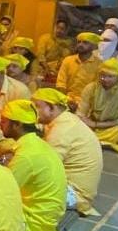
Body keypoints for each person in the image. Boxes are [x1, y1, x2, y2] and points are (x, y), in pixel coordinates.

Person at [1, 101, 69, 231]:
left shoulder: (26, 155)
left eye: (4, 121)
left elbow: (1, 191)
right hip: (49, 215)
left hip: (35, 222)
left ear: (16, 125)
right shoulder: (36, 144)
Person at [34, 88, 103, 216]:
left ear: (51, 108)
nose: (33, 112)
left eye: (37, 107)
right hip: (78, 188)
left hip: (74, 194)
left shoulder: (61, 130)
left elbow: (44, 168)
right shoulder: (65, 120)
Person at [77, 59, 118, 152]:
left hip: (113, 127)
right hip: (91, 125)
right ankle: (99, 141)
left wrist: (97, 125)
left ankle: (93, 140)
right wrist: (85, 121)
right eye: (102, 75)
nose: (105, 79)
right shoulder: (91, 88)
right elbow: (81, 112)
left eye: (110, 76)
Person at [55, 32, 103, 105]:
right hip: (66, 100)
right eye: (79, 42)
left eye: (85, 42)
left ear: (93, 47)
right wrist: (65, 100)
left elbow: (97, 89)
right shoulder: (68, 60)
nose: (80, 45)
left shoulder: (99, 64)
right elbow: (61, 83)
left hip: (86, 103)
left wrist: (81, 104)